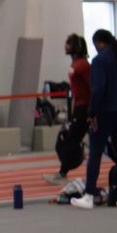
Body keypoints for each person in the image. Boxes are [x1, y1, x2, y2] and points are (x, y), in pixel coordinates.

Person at [72, 29, 117, 210]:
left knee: (95, 153)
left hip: (106, 111)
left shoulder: (99, 60)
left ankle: (89, 195)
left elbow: (98, 89)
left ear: (99, 43)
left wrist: (92, 113)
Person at [43, 34, 90, 185]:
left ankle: (63, 172)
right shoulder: (75, 64)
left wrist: (91, 109)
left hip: (85, 108)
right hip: (79, 107)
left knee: (71, 139)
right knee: (69, 138)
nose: (65, 46)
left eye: (68, 43)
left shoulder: (83, 65)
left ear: (76, 46)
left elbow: (92, 86)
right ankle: (64, 171)